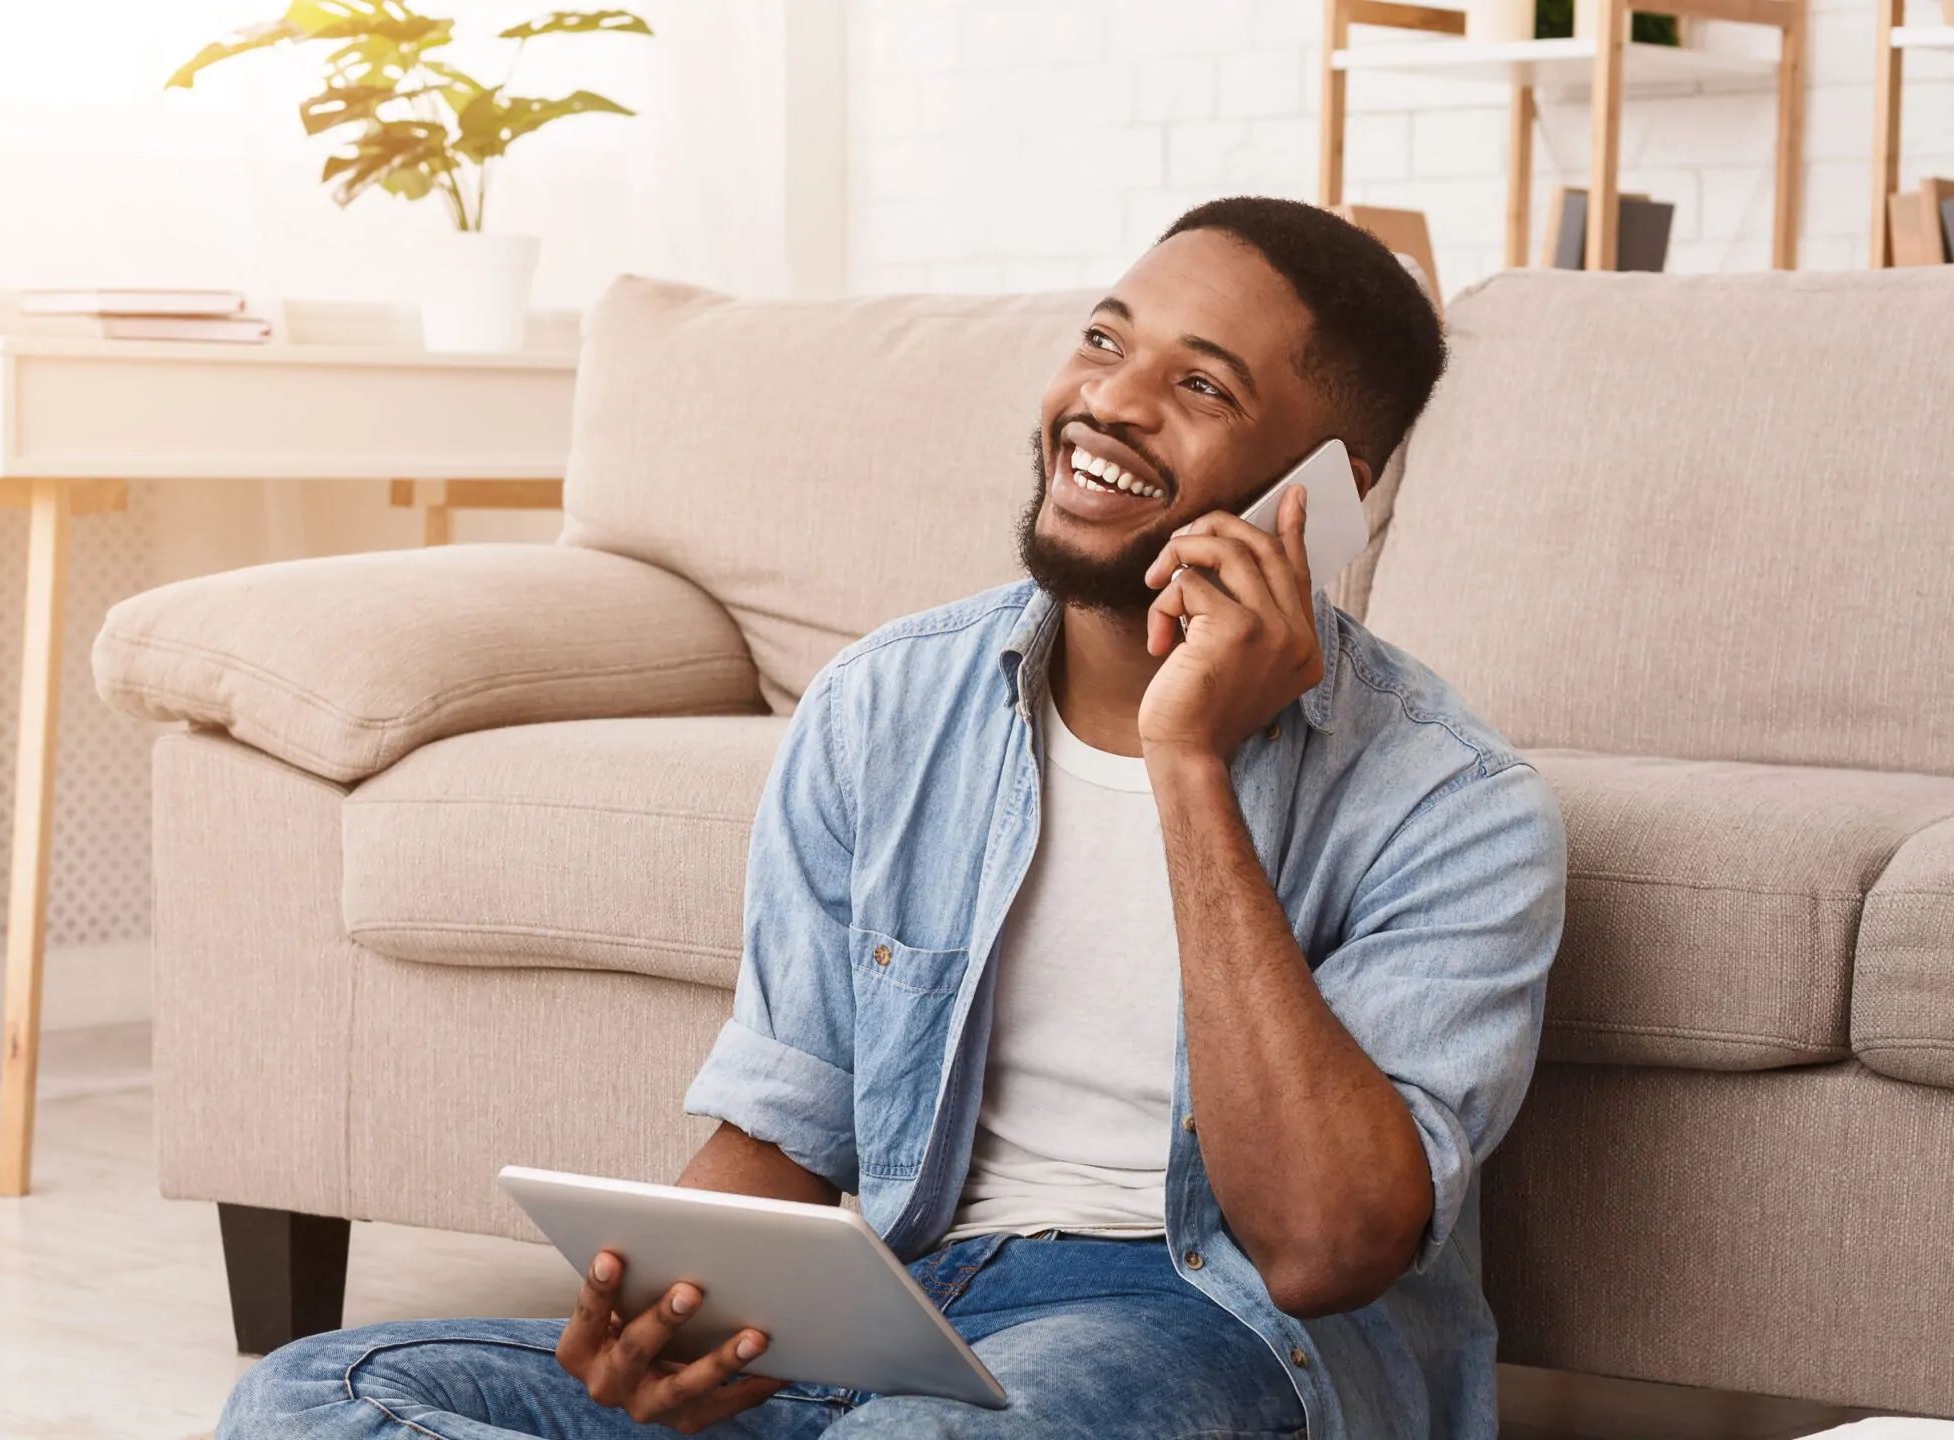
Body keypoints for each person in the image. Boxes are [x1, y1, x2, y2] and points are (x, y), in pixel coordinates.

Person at [218, 195, 1568, 1440]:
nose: (1109, 401)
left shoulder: (1456, 809)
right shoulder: (888, 704)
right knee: (321, 1395)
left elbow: (1325, 1249)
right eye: (1106, 339)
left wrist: (1190, 767)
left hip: (1213, 1341)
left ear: (1327, 495)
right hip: (901, 1324)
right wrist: (676, 1316)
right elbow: (786, 1127)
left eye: (1200, 384)